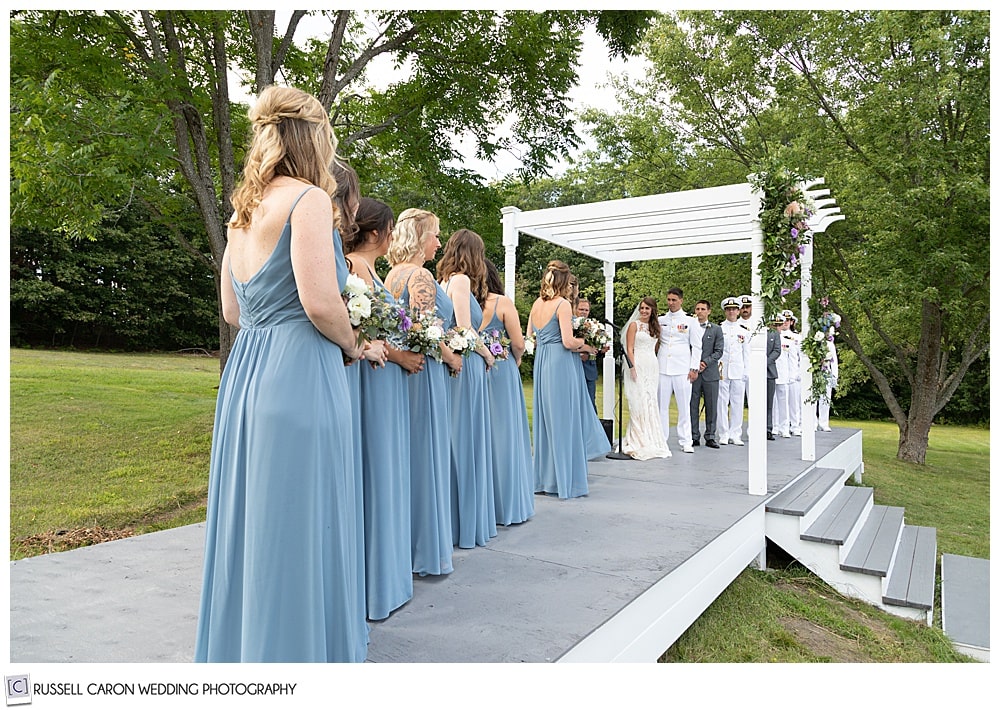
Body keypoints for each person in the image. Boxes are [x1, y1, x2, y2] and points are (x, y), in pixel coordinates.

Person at [195, 85, 367, 662]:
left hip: (247, 375)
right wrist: (352, 343)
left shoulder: (241, 212)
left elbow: (232, 311)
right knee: (300, 519)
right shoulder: (309, 200)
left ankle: (246, 656)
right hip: (299, 372)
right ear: (312, 138)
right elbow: (321, 302)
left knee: (256, 520)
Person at [346, 197, 424, 621]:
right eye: (389, 228)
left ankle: (388, 577)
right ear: (375, 232)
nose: (393, 235)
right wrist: (398, 356)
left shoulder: (373, 271)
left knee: (390, 471)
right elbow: (356, 331)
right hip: (372, 381)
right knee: (375, 472)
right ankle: (372, 581)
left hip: (388, 385)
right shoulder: (354, 267)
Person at [385, 208, 463, 577]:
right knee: (425, 453)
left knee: (411, 454)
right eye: (434, 234)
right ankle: (425, 550)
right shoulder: (420, 275)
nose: (438, 242)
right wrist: (451, 357)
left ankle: (410, 541)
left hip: (406, 374)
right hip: (426, 371)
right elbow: (424, 329)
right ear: (419, 237)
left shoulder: (391, 273)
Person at [528, 260, 609, 498]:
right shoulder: (562, 304)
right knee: (565, 420)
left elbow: (530, 336)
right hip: (562, 364)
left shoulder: (536, 304)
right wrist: (589, 345)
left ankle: (546, 481)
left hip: (543, 363)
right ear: (565, 281)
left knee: (548, 422)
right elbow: (568, 341)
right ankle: (566, 482)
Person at [437, 229, 497, 549]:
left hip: (464, 362)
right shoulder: (459, 281)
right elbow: (464, 328)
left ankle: (460, 518)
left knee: (461, 437)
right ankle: (465, 522)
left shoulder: (449, 281)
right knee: (466, 439)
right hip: (468, 364)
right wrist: (488, 355)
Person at [481, 259, 534, 525]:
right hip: (501, 373)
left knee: (483, 436)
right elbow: (518, 343)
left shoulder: (464, 300)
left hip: (475, 374)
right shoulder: (502, 302)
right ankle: (508, 504)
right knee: (506, 436)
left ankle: (485, 503)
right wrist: (517, 360)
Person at [621, 297, 672, 460]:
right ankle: (637, 438)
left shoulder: (655, 327)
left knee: (650, 401)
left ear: (652, 311)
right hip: (638, 364)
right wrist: (632, 367)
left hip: (651, 365)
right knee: (638, 401)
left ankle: (651, 437)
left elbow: (655, 347)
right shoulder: (634, 325)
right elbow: (629, 348)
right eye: (642, 308)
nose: (643, 311)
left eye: (647, 309)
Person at [656, 287, 702, 454]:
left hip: (683, 368)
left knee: (684, 406)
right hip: (663, 367)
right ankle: (662, 439)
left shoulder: (691, 321)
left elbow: (697, 346)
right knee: (662, 406)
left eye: (674, 300)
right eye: (669, 299)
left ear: (681, 300)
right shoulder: (661, 320)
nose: (671, 303)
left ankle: (686, 440)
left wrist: (694, 368)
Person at [689, 299, 724, 449]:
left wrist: (705, 362)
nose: (700, 312)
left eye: (703, 309)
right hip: (693, 372)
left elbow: (719, 351)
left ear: (709, 311)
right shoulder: (690, 327)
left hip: (710, 372)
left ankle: (710, 436)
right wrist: (694, 364)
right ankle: (693, 435)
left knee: (711, 405)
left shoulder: (716, 329)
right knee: (693, 404)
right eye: (697, 309)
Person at [717, 297, 749, 445]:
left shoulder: (744, 331)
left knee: (737, 402)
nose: (731, 311)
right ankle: (723, 433)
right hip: (722, 370)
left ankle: (735, 433)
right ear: (725, 311)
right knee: (721, 403)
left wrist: (746, 371)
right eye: (729, 309)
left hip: (738, 370)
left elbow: (746, 353)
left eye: (734, 309)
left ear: (738, 311)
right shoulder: (719, 329)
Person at [773, 309, 798, 438]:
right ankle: (774, 426)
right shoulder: (770, 337)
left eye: (780, 324)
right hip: (771, 373)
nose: (778, 326)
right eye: (776, 324)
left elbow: (793, 359)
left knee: (783, 402)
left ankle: (784, 427)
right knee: (773, 402)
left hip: (784, 374)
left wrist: (792, 375)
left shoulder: (788, 339)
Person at [817, 315, 840, 431]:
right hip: (815, 372)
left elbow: (834, 361)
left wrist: (834, 375)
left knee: (825, 398)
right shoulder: (814, 342)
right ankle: (812, 422)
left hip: (826, 371)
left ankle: (824, 422)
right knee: (813, 399)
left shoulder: (830, 344)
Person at [575, 297, 599, 411]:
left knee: (590, 404)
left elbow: (596, 347)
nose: (584, 312)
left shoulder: (594, 326)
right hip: (573, 367)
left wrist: (600, 349)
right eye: (581, 309)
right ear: (575, 309)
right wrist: (583, 351)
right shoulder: (570, 324)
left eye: (586, 310)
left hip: (589, 369)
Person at [766, 314, 783, 440]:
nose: (775, 326)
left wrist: (764, 362)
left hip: (769, 371)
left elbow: (777, 350)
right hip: (752, 371)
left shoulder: (775, 334)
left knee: (769, 402)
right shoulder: (756, 331)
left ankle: (768, 428)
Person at [786, 313, 803, 436]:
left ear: (792, 322)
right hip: (781, 373)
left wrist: (798, 373)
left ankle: (795, 425)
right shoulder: (776, 335)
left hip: (793, 374)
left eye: (788, 320)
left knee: (794, 403)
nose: (786, 322)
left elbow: (801, 357)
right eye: (784, 320)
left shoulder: (797, 338)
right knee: (779, 403)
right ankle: (781, 425)